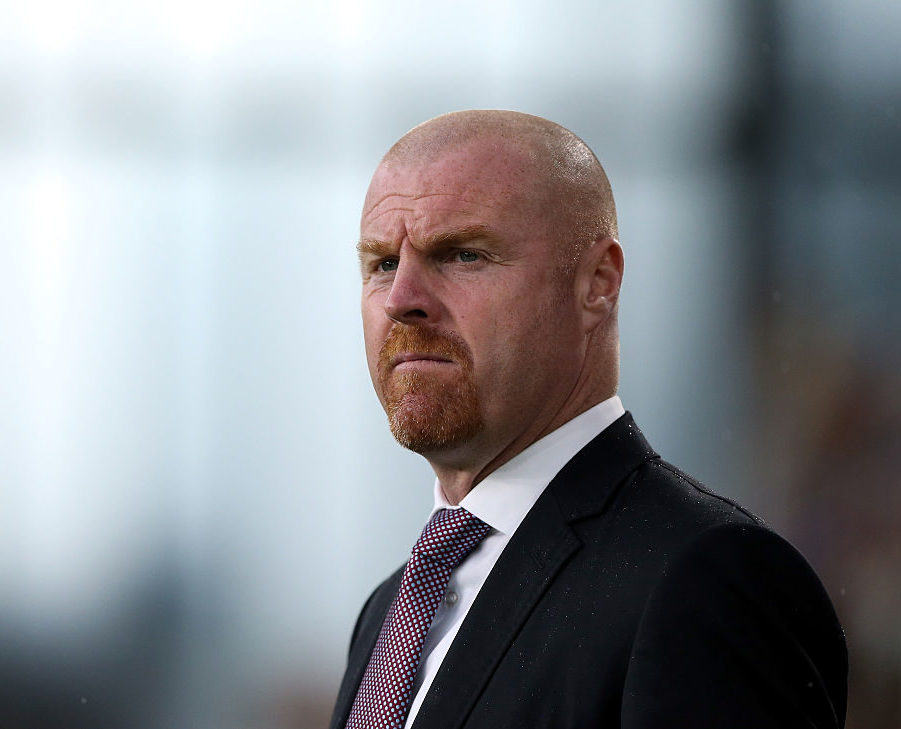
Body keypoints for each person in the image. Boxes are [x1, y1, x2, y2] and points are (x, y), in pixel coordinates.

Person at [328, 110, 847, 729]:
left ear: (597, 282)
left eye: (462, 254)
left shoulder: (706, 580)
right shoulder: (393, 609)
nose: (401, 299)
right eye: (383, 263)